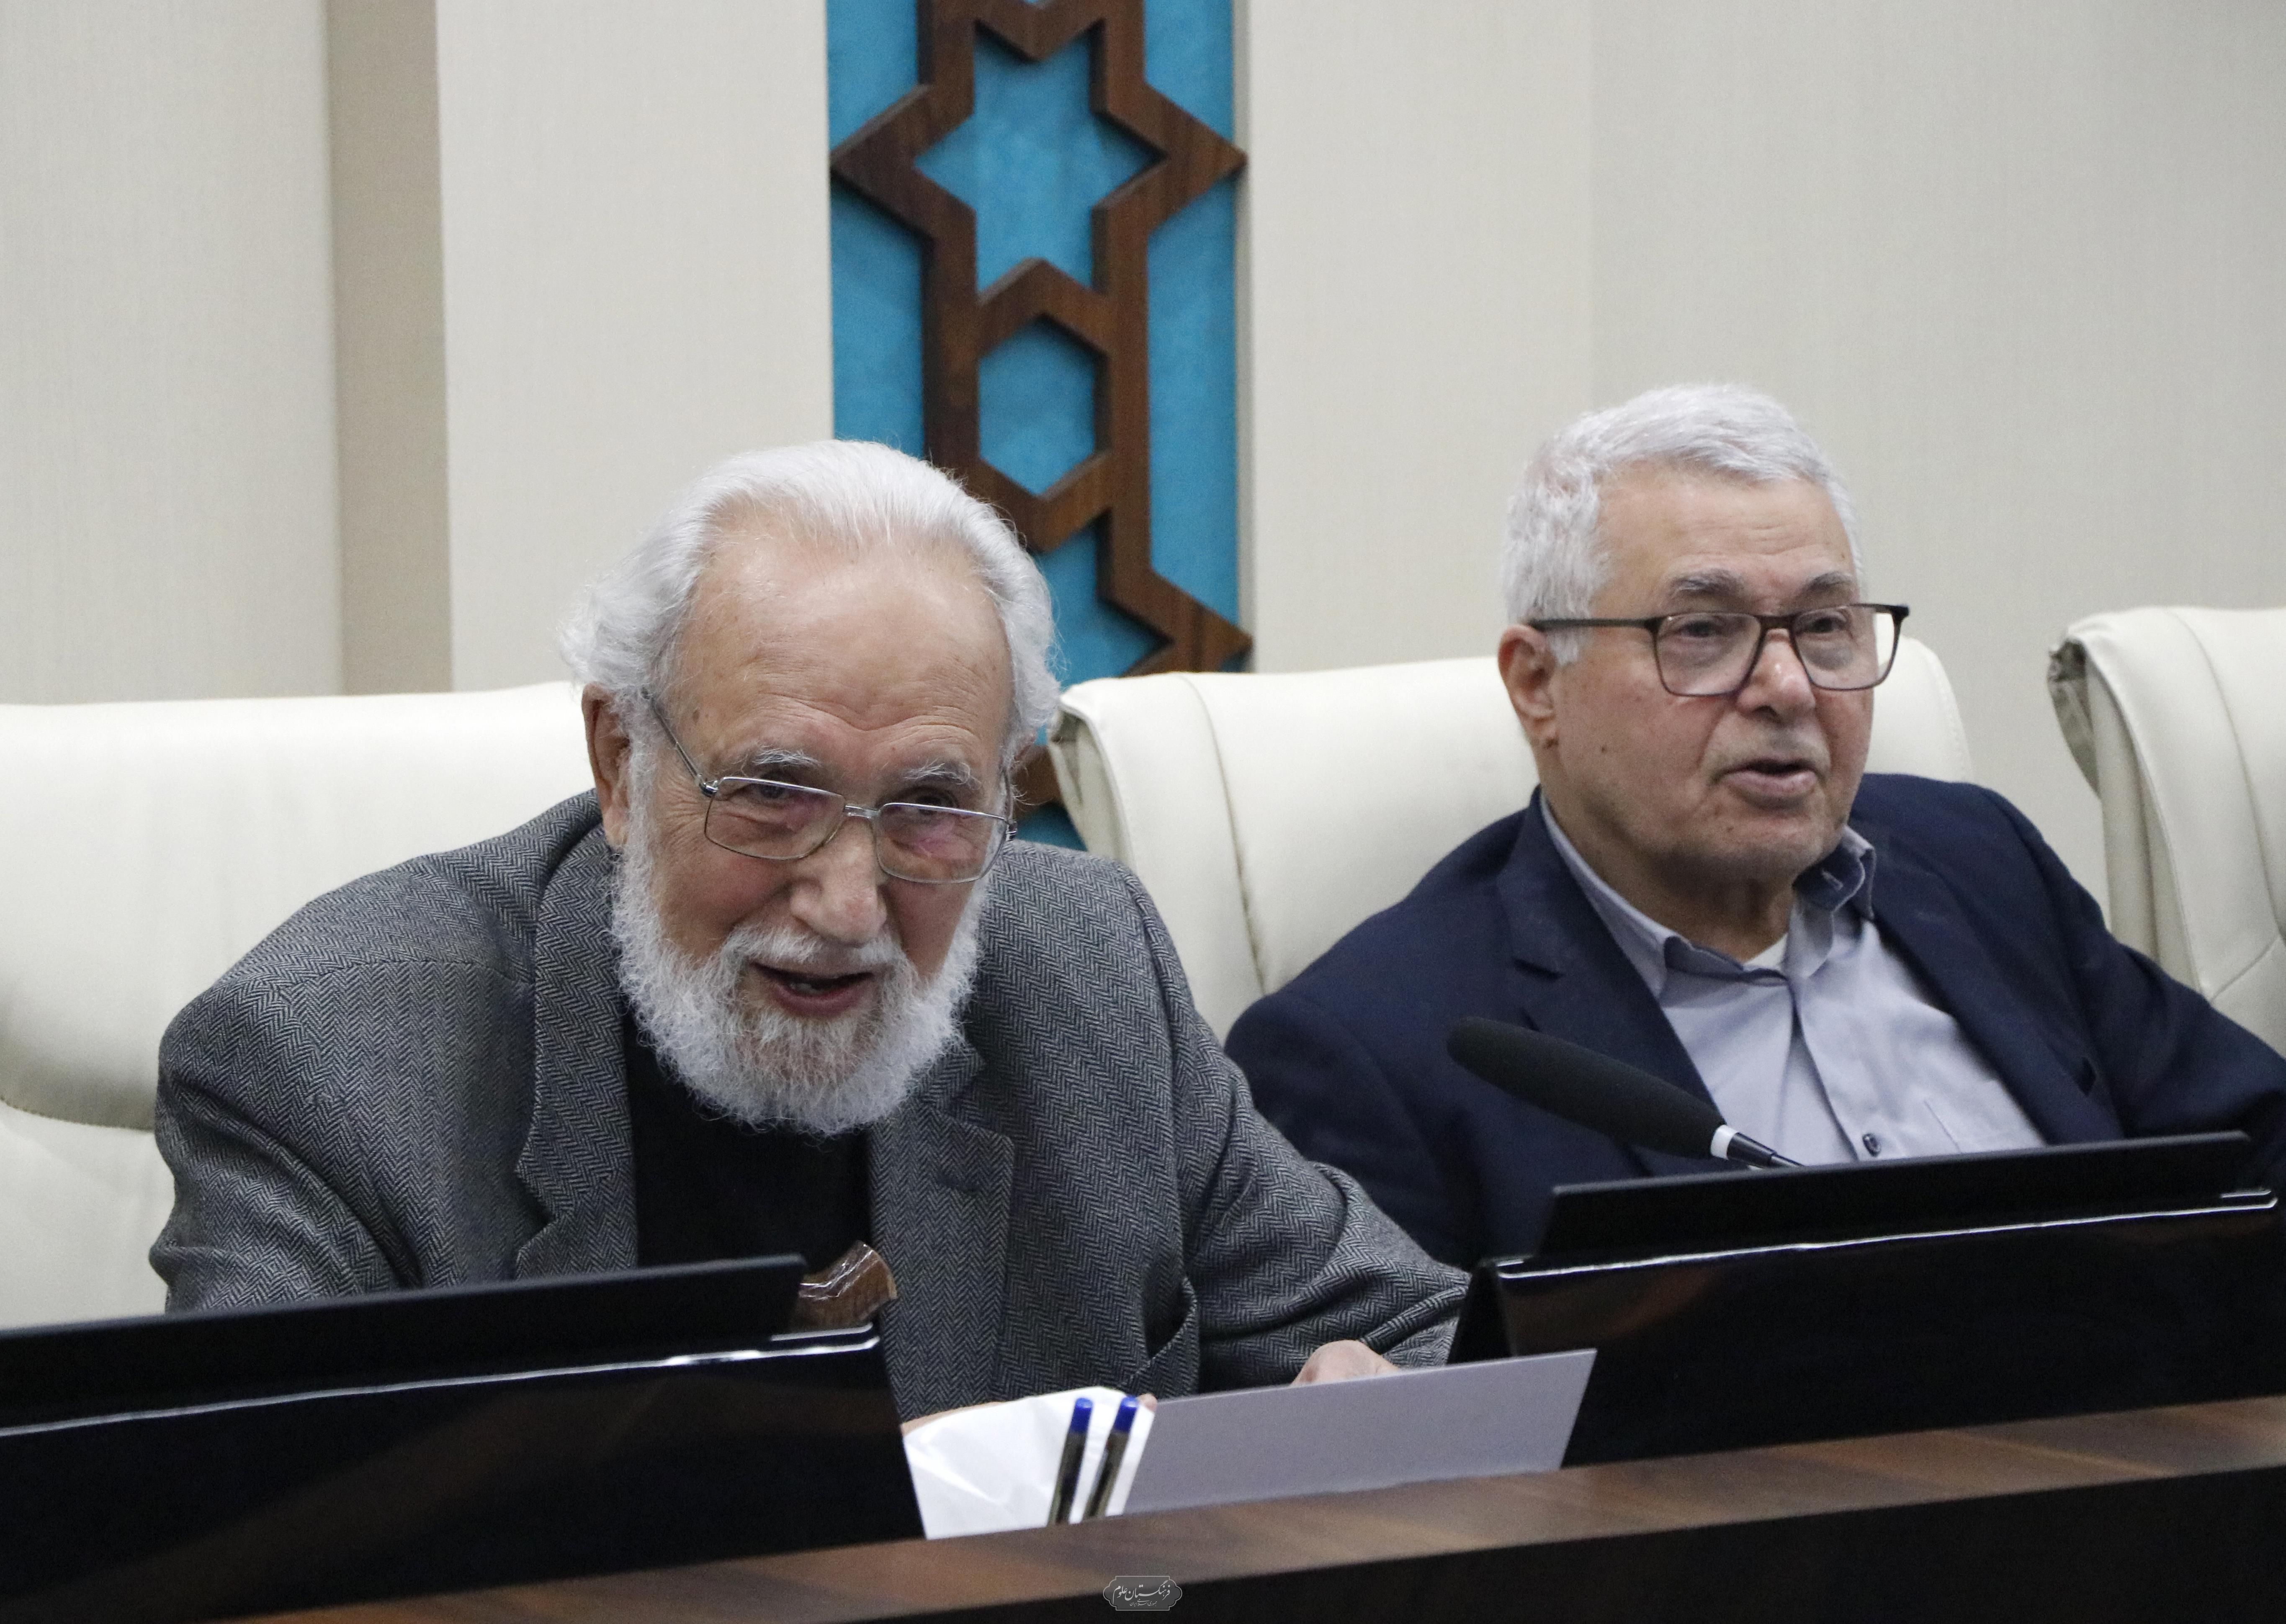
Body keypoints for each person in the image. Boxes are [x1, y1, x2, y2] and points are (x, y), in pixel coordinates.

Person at [152, 441, 1461, 1416]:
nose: (846, 903)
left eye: (930, 809)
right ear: (622, 765)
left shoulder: (1085, 968)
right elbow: (240, 1527)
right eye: (773, 796)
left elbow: (1427, 1341)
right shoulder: (330, 1059)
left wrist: (1377, 1411)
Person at [1229, 384, 2286, 1270]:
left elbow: (2258, 1150)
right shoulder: (1374, 1051)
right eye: (1703, 630)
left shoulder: (1979, 860)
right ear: (1539, 682)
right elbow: (1425, 1402)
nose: (1786, 685)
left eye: (1823, 625)